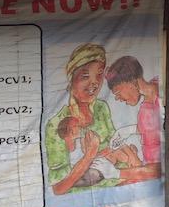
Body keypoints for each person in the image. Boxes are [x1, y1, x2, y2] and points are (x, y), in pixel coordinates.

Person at [45, 44, 159, 195]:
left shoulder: (101, 108)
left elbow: (117, 144)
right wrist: (89, 156)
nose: (94, 83)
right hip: (94, 195)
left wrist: (135, 166)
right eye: (85, 76)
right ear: (71, 78)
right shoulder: (56, 124)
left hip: (125, 184)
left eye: (99, 74)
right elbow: (58, 188)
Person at [105, 56, 161, 164]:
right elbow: (150, 128)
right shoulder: (146, 106)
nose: (117, 98)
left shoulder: (160, 91)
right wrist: (124, 131)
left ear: (131, 82)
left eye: (117, 92)